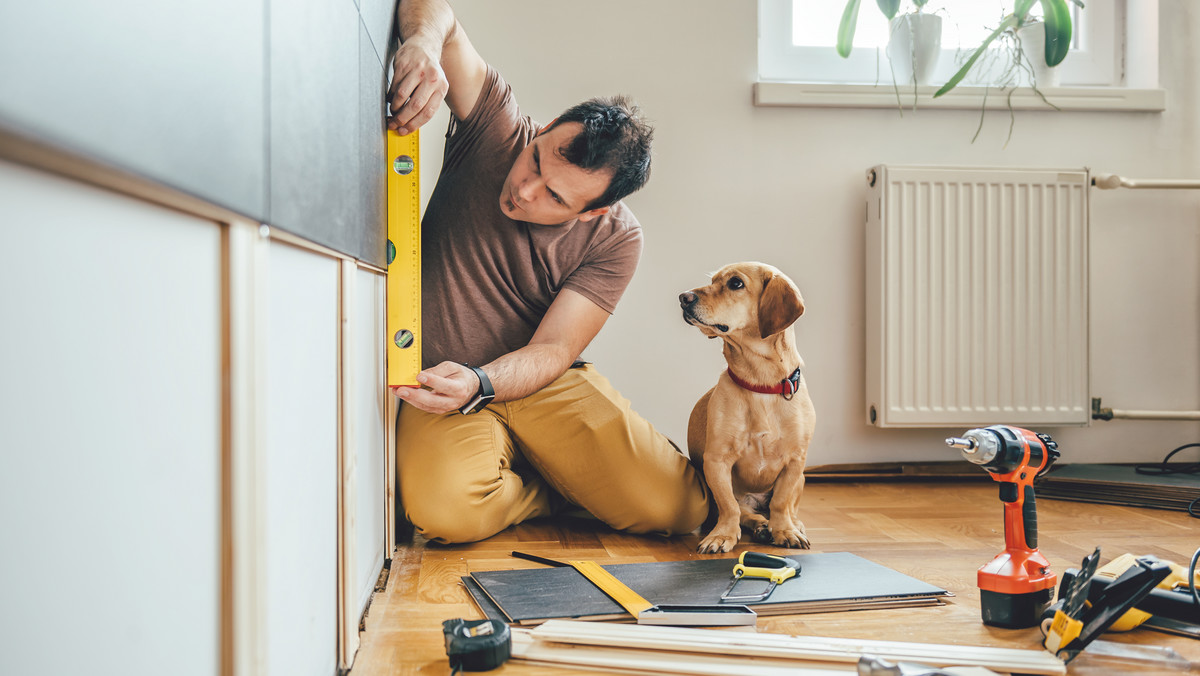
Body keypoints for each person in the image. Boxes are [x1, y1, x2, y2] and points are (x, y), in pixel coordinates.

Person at [386, 0, 709, 544]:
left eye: (554, 196)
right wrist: (421, 44)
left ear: (594, 210)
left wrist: (484, 381)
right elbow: (433, 9)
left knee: (679, 509)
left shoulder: (617, 238)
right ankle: (555, 487)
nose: (524, 189)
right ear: (549, 127)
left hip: (536, 380)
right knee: (446, 515)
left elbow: (556, 350)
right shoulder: (496, 128)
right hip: (441, 381)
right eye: (538, 159)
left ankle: (566, 475)